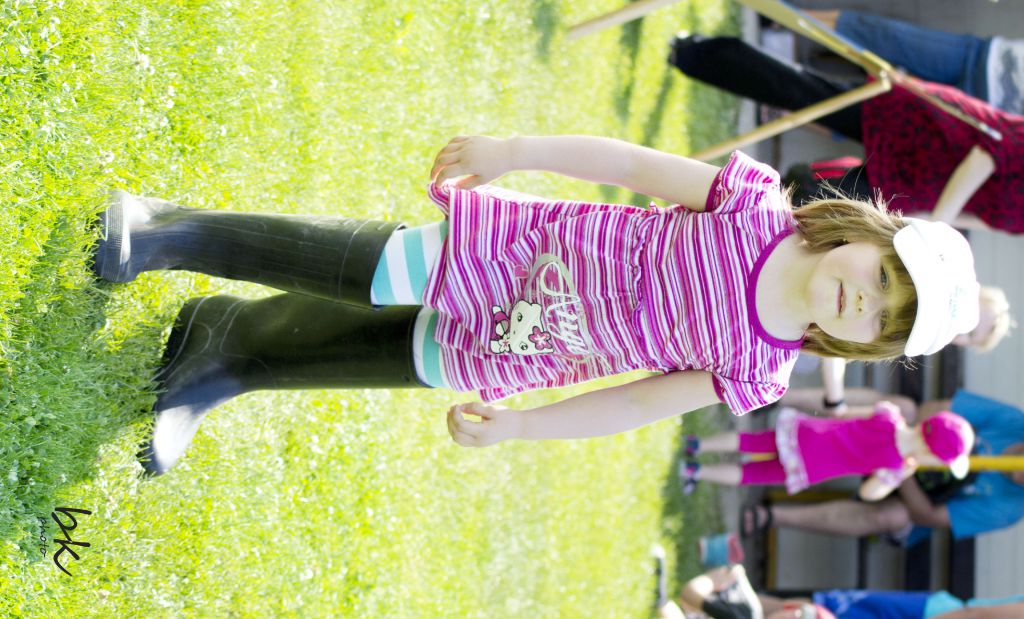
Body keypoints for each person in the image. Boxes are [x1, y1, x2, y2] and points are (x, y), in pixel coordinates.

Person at [91, 136, 980, 475]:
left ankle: (224, 351)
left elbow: (635, 402)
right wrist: (516, 150)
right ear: (871, 233)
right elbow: (629, 164)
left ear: (864, 344)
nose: (864, 300)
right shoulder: (754, 207)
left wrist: (525, 427)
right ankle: (167, 230)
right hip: (524, 251)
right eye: (882, 276)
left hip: (537, 341)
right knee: (375, 271)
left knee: (397, 355)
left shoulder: (759, 368)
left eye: (881, 319)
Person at [668, 35, 1024, 233]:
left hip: (919, 188)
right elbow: (986, 156)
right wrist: (939, 228)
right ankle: (693, 53)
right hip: (923, 126)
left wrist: (920, 223)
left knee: (808, 210)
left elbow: (979, 215)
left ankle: (696, 216)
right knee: (799, 91)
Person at [740, 391, 1024, 546]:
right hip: (903, 443)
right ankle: (779, 397)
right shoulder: (1013, 422)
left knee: (893, 516)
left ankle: (771, 517)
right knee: (904, 408)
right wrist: (908, 447)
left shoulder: (1011, 509)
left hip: (906, 492)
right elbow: (932, 411)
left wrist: (901, 469)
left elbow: (927, 515)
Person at [679, 403, 974, 498]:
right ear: (930, 454)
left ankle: (698, 444)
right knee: (752, 474)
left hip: (808, 435)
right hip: (814, 465)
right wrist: (901, 477)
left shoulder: (889, 413)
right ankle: (696, 471)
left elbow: (844, 413)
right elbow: (868, 493)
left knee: (750, 441)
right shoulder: (895, 467)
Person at [654, 555, 1024, 619]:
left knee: (810, 611)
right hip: (931, 613)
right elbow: (977, 615)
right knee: (811, 610)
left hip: (931, 613)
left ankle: (721, 588)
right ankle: (723, 588)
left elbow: (979, 615)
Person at [804, 10, 1024, 116]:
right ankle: (787, 16)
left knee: (873, 112)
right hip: (982, 56)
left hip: (980, 113)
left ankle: (788, 94)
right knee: (881, 34)